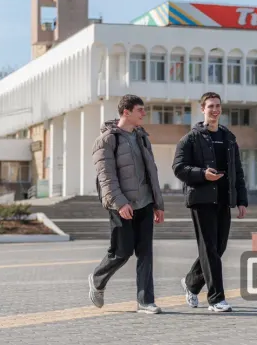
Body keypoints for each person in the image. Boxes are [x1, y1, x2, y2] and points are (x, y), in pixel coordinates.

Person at [87, 94, 166, 314]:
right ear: (126, 112)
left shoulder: (142, 137)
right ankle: (97, 278)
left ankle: (145, 301)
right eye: (140, 110)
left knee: (146, 253)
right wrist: (120, 203)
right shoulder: (107, 140)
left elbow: (152, 172)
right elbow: (106, 177)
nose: (144, 113)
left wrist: (158, 204)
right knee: (122, 252)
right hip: (121, 205)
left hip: (145, 203)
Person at [172, 91, 248, 313]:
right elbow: (179, 168)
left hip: (223, 199)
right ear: (202, 109)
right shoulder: (191, 138)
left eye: (217, 106)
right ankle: (216, 299)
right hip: (201, 199)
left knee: (218, 248)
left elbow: (238, 171)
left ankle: (191, 283)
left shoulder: (229, 138)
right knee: (209, 248)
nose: (215, 110)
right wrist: (202, 174)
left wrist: (241, 199)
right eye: (210, 106)